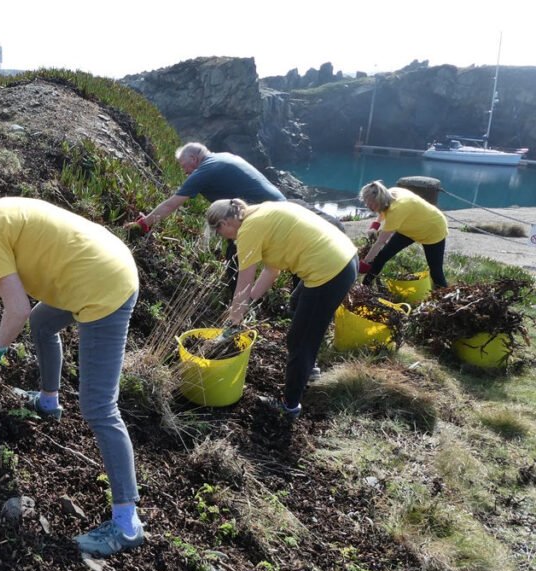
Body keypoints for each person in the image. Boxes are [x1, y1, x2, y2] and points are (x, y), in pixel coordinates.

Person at [0, 174, 143, 557]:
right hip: (104, 264)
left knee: (99, 408)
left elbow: (17, 309)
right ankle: (48, 401)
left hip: (103, 289)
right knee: (45, 323)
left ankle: (127, 524)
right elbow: (3, 282)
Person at [208, 198, 357, 418]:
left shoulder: (248, 229)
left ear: (225, 223)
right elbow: (271, 270)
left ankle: (289, 406)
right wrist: (249, 302)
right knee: (297, 305)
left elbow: (244, 280)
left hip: (329, 272)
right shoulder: (262, 212)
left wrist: (233, 321)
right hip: (344, 257)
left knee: (299, 341)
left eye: (219, 232)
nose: (224, 238)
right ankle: (309, 367)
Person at [126, 142, 341, 289]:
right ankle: (294, 298)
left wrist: (143, 224)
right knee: (291, 250)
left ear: (194, 157)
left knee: (236, 257)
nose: (185, 171)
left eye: (185, 166)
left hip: (262, 211)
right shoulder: (224, 157)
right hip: (279, 206)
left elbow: (172, 204)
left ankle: (237, 306)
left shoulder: (206, 169)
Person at [358, 180, 449, 288]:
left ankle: (443, 293)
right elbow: (383, 209)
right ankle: (365, 286)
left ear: (378, 200)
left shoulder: (397, 210)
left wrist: (365, 263)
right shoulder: (390, 194)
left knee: (436, 271)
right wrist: (375, 225)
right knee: (382, 256)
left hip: (433, 229)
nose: (367, 206)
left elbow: (380, 243)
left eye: (369, 204)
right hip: (409, 227)